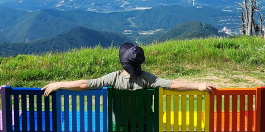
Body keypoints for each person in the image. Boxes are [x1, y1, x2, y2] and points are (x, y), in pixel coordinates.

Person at [42, 42, 216, 96]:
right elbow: (172, 85)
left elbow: (84, 84)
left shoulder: (113, 78)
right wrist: (197, 85)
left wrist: (59, 84)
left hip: (121, 125)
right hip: (145, 124)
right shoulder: (147, 78)